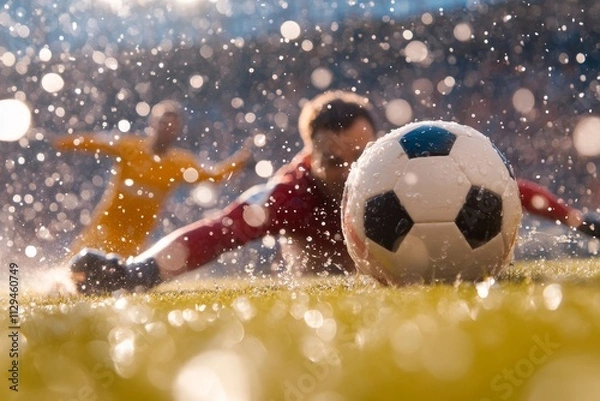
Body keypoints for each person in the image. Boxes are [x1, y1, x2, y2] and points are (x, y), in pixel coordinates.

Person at [68, 91, 600, 295]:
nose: (350, 172)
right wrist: (137, 273)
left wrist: (578, 221)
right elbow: (216, 231)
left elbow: (507, 189)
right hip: (322, 273)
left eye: (359, 156)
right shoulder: (288, 195)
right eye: (334, 160)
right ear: (309, 154)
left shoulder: (402, 165)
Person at [54, 100, 251, 258]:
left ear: (178, 131)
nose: (167, 129)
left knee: (118, 287)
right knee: (70, 277)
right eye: (163, 123)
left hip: (134, 241)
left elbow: (215, 175)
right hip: (103, 229)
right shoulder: (130, 147)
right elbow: (91, 141)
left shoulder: (180, 162)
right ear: (152, 124)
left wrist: (240, 160)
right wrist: (59, 142)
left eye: (173, 126)